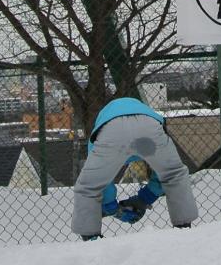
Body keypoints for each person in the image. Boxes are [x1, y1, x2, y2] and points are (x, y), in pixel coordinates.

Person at [72, 95, 199, 240]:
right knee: (173, 174)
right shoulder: (144, 111)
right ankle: (183, 229)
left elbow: (100, 182)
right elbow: (162, 173)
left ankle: (91, 240)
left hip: (111, 130)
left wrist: (111, 206)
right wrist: (145, 198)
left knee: (89, 186)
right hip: (149, 126)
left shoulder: (101, 126)